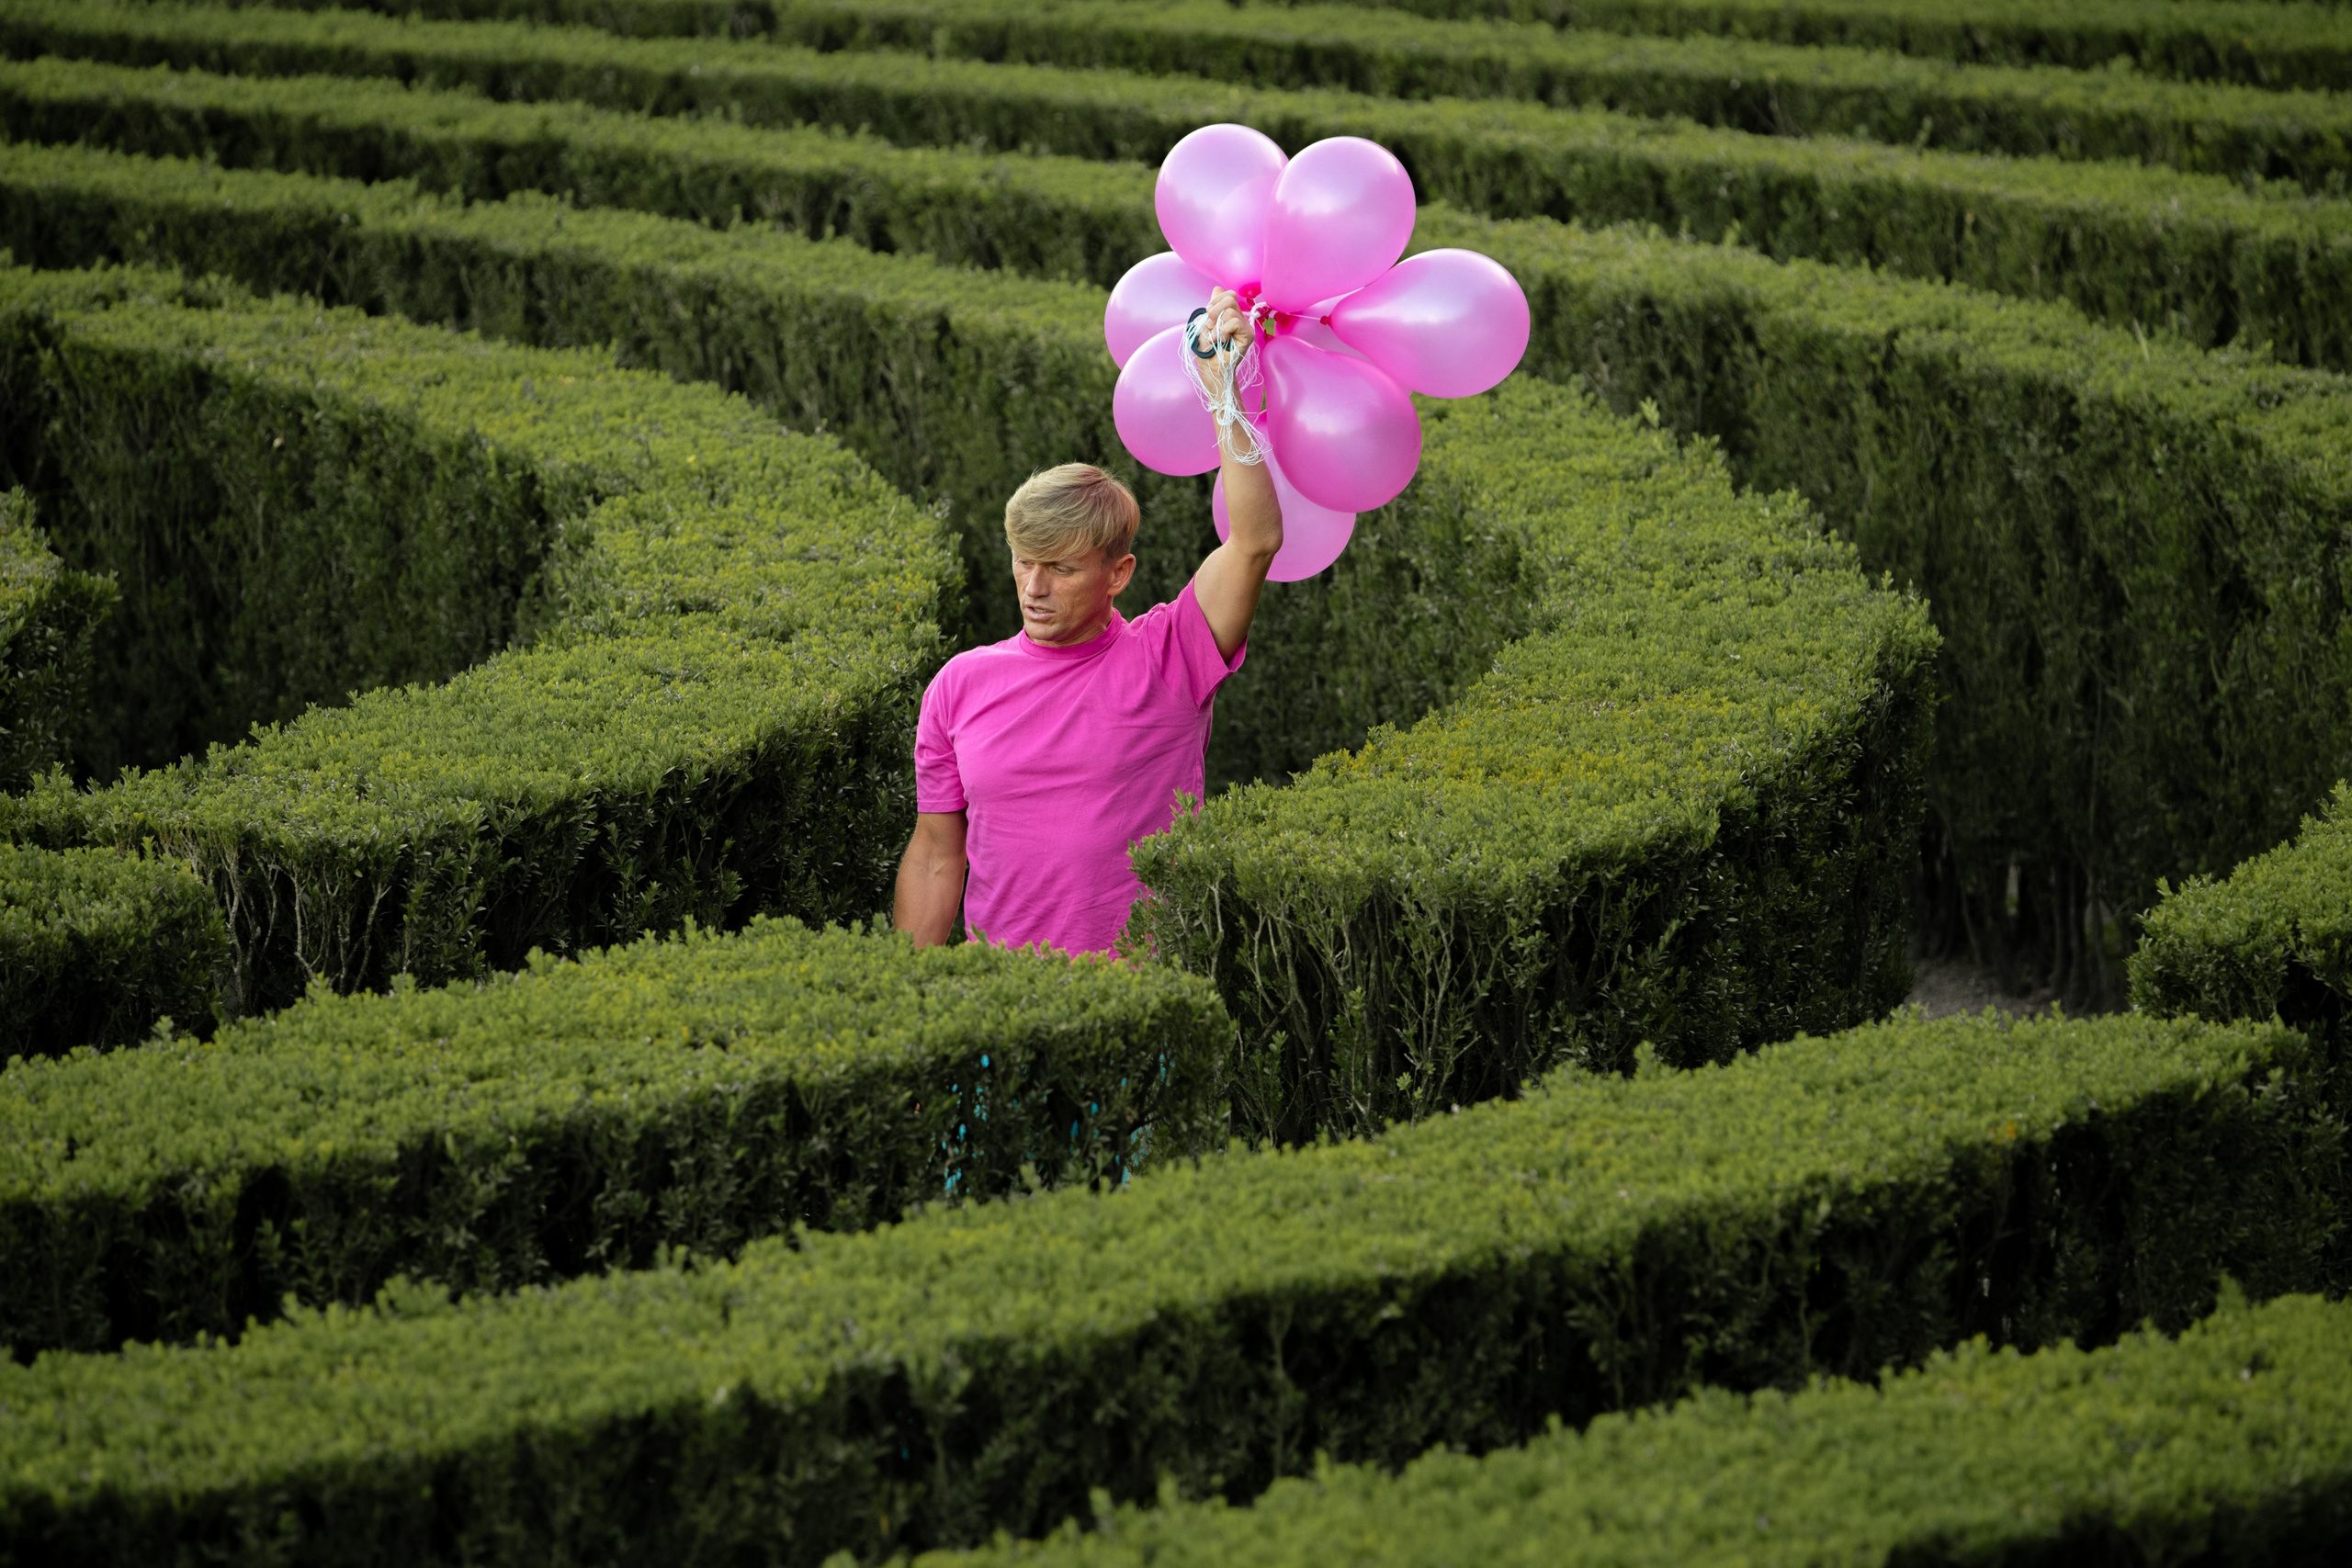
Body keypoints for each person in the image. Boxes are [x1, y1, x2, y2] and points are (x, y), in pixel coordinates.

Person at [893, 287, 1283, 953]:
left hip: (1137, 1007)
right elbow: (936, 854)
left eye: (1062, 569)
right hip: (999, 1005)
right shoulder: (957, 686)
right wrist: (907, 992)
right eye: (1023, 563)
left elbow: (1253, 542)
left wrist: (1224, 396)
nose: (1034, 588)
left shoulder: (1171, 655)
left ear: (1119, 573)